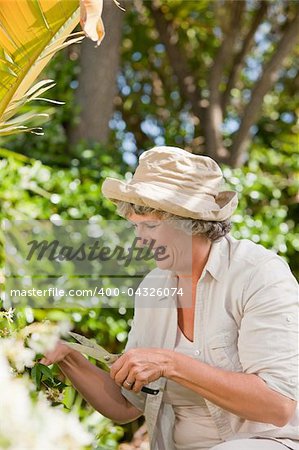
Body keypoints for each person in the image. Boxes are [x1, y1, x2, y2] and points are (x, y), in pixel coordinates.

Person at [40, 146, 298, 450]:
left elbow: (279, 406)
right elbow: (126, 406)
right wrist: (69, 357)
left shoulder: (258, 274)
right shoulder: (154, 286)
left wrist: (171, 363)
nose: (140, 239)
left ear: (192, 223)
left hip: (269, 442)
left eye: (150, 225)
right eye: (136, 226)